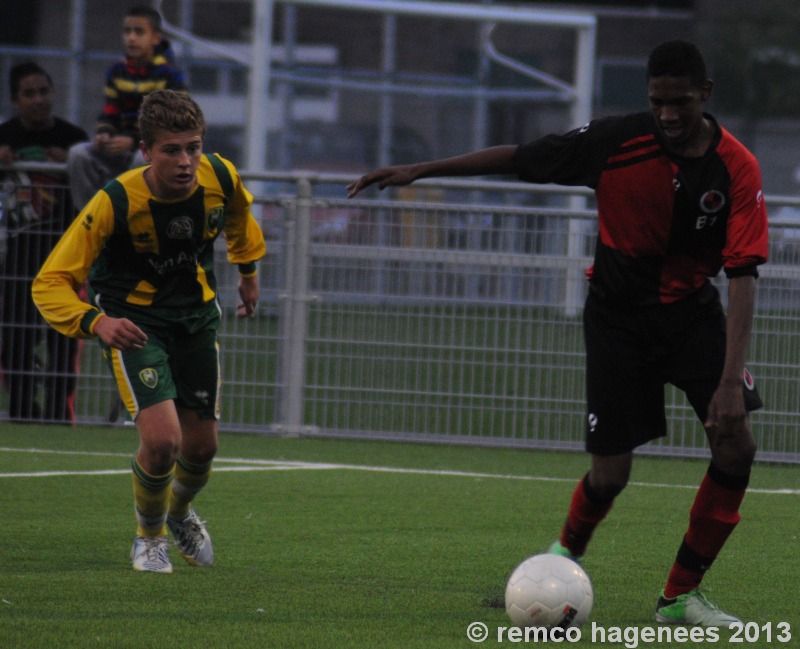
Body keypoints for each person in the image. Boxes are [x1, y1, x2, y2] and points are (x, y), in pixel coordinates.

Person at [347, 40, 768, 627]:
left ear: (705, 95)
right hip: (617, 319)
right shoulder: (616, 140)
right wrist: (423, 169)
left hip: (691, 315)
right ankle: (562, 556)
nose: (668, 115)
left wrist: (728, 382)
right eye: (657, 102)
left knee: (737, 442)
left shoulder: (737, 167)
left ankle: (679, 599)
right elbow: (519, 157)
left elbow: (744, 272)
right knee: (610, 474)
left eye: (679, 102)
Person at [33, 89, 267, 573]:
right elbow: (50, 281)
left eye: (193, 147)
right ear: (146, 151)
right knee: (163, 442)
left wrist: (247, 272)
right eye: (171, 150)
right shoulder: (114, 201)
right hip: (135, 325)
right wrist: (97, 322)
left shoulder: (219, 175)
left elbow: (241, 216)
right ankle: (148, 537)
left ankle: (179, 514)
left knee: (203, 449)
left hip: (197, 319)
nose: (186, 162)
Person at [0, 62, 88, 422]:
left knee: (63, 338)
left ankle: (57, 415)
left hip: (63, 253)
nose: (38, 100)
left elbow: (95, 183)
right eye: (29, 93)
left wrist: (72, 163)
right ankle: (22, 412)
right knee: (17, 336)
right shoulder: (4, 137)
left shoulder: (73, 139)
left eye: (43, 91)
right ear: (15, 99)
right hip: (18, 253)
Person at [67, 5, 186, 210]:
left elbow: (170, 124)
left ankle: (129, 218)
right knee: (78, 154)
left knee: (142, 159)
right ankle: (91, 219)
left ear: (155, 38)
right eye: (127, 31)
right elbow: (111, 112)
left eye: (139, 32)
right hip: (124, 148)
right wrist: (104, 133)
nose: (131, 38)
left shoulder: (170, 75)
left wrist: (132, 141)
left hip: (155, 152)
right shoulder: (117, 72)